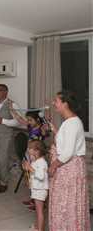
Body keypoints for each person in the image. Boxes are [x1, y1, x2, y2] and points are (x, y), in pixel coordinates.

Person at [48, 90, 90, 231]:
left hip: (69, 169)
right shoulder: (69, 122)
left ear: (65, 104)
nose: (54, 103)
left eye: (56, 101)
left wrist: (53, 165)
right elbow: (64, 143)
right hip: (67, 168)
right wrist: (55, 130)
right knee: (65, 202)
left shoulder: (72, 123)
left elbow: (67, 153)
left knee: (66, 202)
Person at [22, 140, 48, 231]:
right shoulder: (36, 160)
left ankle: (40, 229)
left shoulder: (42, 162)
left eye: (30, 148)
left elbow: (40, 176)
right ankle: (37, 227)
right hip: (36, 189)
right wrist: (27, 169)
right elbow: (32, 173)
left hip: (40, 190)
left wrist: (30, 168)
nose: (28, 150)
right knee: (37, 211)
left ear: (37, 151)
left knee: (39, 211)